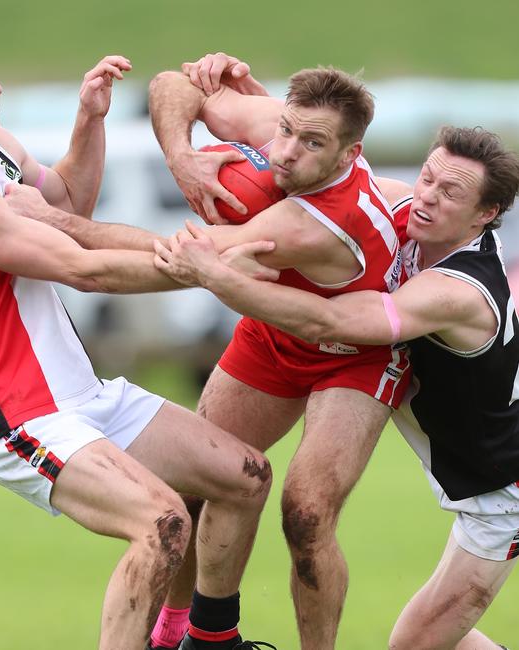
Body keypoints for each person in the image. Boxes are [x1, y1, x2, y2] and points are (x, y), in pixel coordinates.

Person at [0, 15, 276, 650]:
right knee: (162, 522)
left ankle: (196, 640)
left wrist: (89, 120)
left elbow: (68, 206)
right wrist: (211, 270)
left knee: (244, 476)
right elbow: (83, 266)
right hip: (19, 418)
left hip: (83, 396)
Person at [155, 125, 519, 650]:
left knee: (413, 646)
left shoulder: (459, 291)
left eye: (452, 193)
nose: (428, 197)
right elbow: (321, 155)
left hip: (499, 501)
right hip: (480, 482)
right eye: (427, 177)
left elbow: (331, 322)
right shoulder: (413, 216)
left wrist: (221, 279)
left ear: (485, 215)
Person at [145, 56, 415, 650]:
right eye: (286, 130)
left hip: (355, 351)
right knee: (195, 485)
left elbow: (183, 258)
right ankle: (191, 638)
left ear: (349, 154)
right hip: (274, 332)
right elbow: (173, 84)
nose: (286, 151)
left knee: (307, 515)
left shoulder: (321, 222)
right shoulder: (279, 125)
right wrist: (181, 156)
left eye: (310, 141)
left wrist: (60, 230)